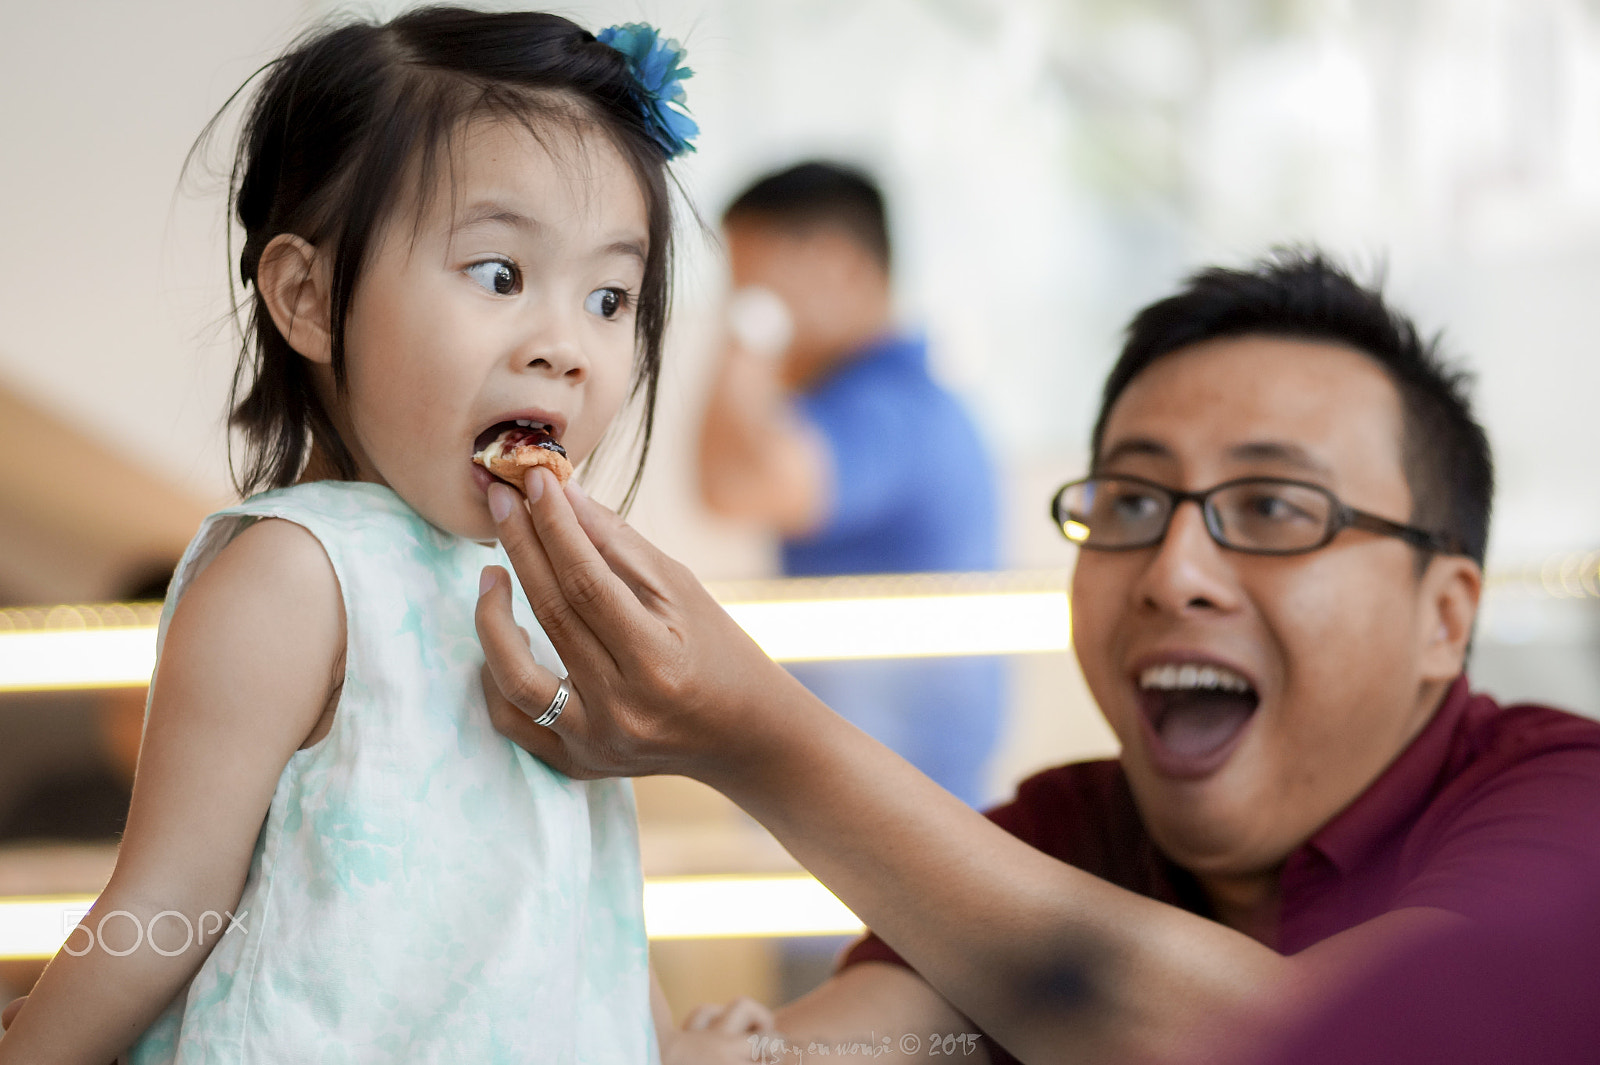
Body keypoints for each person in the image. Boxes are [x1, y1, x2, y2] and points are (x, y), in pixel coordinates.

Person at [465, 250, 1600, 1064]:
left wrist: (757, 735)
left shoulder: (1563, 811)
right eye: (1133, 500)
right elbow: (862, 1050)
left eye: (1269, 506)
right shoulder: (1058, 839)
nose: (1172, 570)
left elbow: (1333, 1041)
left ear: (1446, 615)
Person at [0, 10, 723, 1063]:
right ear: (309, 296)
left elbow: (570, 891)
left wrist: (660, 1040)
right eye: (499, 275)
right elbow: (166, 903)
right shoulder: (297, 577)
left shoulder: (540, 575)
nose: (566, 346)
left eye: (610, 296)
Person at [697, 162, 1004, 806]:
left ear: (839, 264)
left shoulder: (888, 410)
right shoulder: (875, 402)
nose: (739, 305)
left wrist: (748, 339)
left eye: (755, 289)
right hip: (878, 796)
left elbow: (744, 486)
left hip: (901, 803)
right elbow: (717, 485)